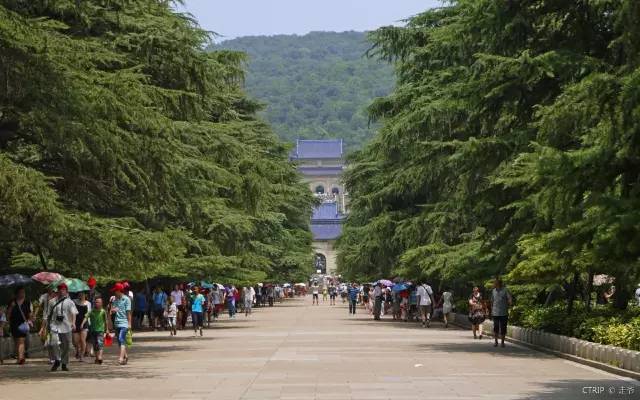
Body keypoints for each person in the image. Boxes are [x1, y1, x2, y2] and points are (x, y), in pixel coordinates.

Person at [47, 283, 78, 371]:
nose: (61, 291)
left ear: (66, 291)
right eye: (60, 289)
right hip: (54, 325)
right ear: (57, 290)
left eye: (63, 289)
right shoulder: (52, 301)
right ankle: (57, 360)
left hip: (66, 326)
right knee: (54, 343)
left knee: (67, 345)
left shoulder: (69, 302)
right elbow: (48, 315)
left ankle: (64, 363)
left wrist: (73, 323)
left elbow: (73, 313)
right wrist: (47, 326)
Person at [108, 283, 132, 365]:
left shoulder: (126, 299)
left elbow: (128, 312)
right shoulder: (114, 300)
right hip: (117, 323)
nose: (114, 292)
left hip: (124, 323)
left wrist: (129, 324)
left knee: (122, 339)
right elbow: (112, 310)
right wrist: (112, 310)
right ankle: (125, 355)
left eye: (115, 291)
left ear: (119, 291)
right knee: (119, 341)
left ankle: (121, 358)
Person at [8, 287, 31, 365]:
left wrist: (30, 319)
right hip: (14, 323)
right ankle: (19, 357)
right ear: (17, 294)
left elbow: (29, 313)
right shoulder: (12, 302)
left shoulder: (26, 302)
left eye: (23, 292)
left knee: (21, 340)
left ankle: (21, 358)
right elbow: (8, 314)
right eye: (21, 292)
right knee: (16, 341)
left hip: (23, 324)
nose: (23, 294)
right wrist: (11, 306)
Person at [491, 278, 512, 348]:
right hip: (495, 312)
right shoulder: (493, 291)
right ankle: (496, 341)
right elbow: (492, 301)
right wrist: (491, 310)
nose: (494, 284)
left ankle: (502, 342)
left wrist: (510, 302)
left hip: (503, 312)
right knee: (496, 327)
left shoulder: (505, 290)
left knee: (503, 328)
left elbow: (509, 298)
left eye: (495, 283)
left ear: (499, 284)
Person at [39, 287, 57, 364]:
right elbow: (39, 305)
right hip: (47, 321)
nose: (51, 291)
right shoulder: (45, 297)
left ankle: (57, 357)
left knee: (55, 341)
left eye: (52, 290)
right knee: (48, 340)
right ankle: (52, 358)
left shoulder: (58, 299)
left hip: (57, 323)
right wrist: (42, 329)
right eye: (49, 289)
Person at [88, 297, 107, 364]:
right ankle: (97, 358)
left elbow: (106, 321)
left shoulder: (103, 311)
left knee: (100, 343)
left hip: (100, 330)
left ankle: (100, 357)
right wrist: (82, 324)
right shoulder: (92, 311)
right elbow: (86, 317)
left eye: (98, 302)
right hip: (93, 330)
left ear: (101, 303)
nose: (97, 303)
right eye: (96, 302)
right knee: (95, 344)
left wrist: (107, 329)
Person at [73, 291, 91, 362]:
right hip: (76, 322)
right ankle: (77, 350)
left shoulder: (88, 303)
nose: (81, 295)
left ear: (85, 295)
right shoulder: (74, 301)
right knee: (75, 341)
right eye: (80, 294)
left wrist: (82, 324)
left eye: (82, 294)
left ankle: (81, 355)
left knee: (83, 340)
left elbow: (87, 314)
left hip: (84, 322)